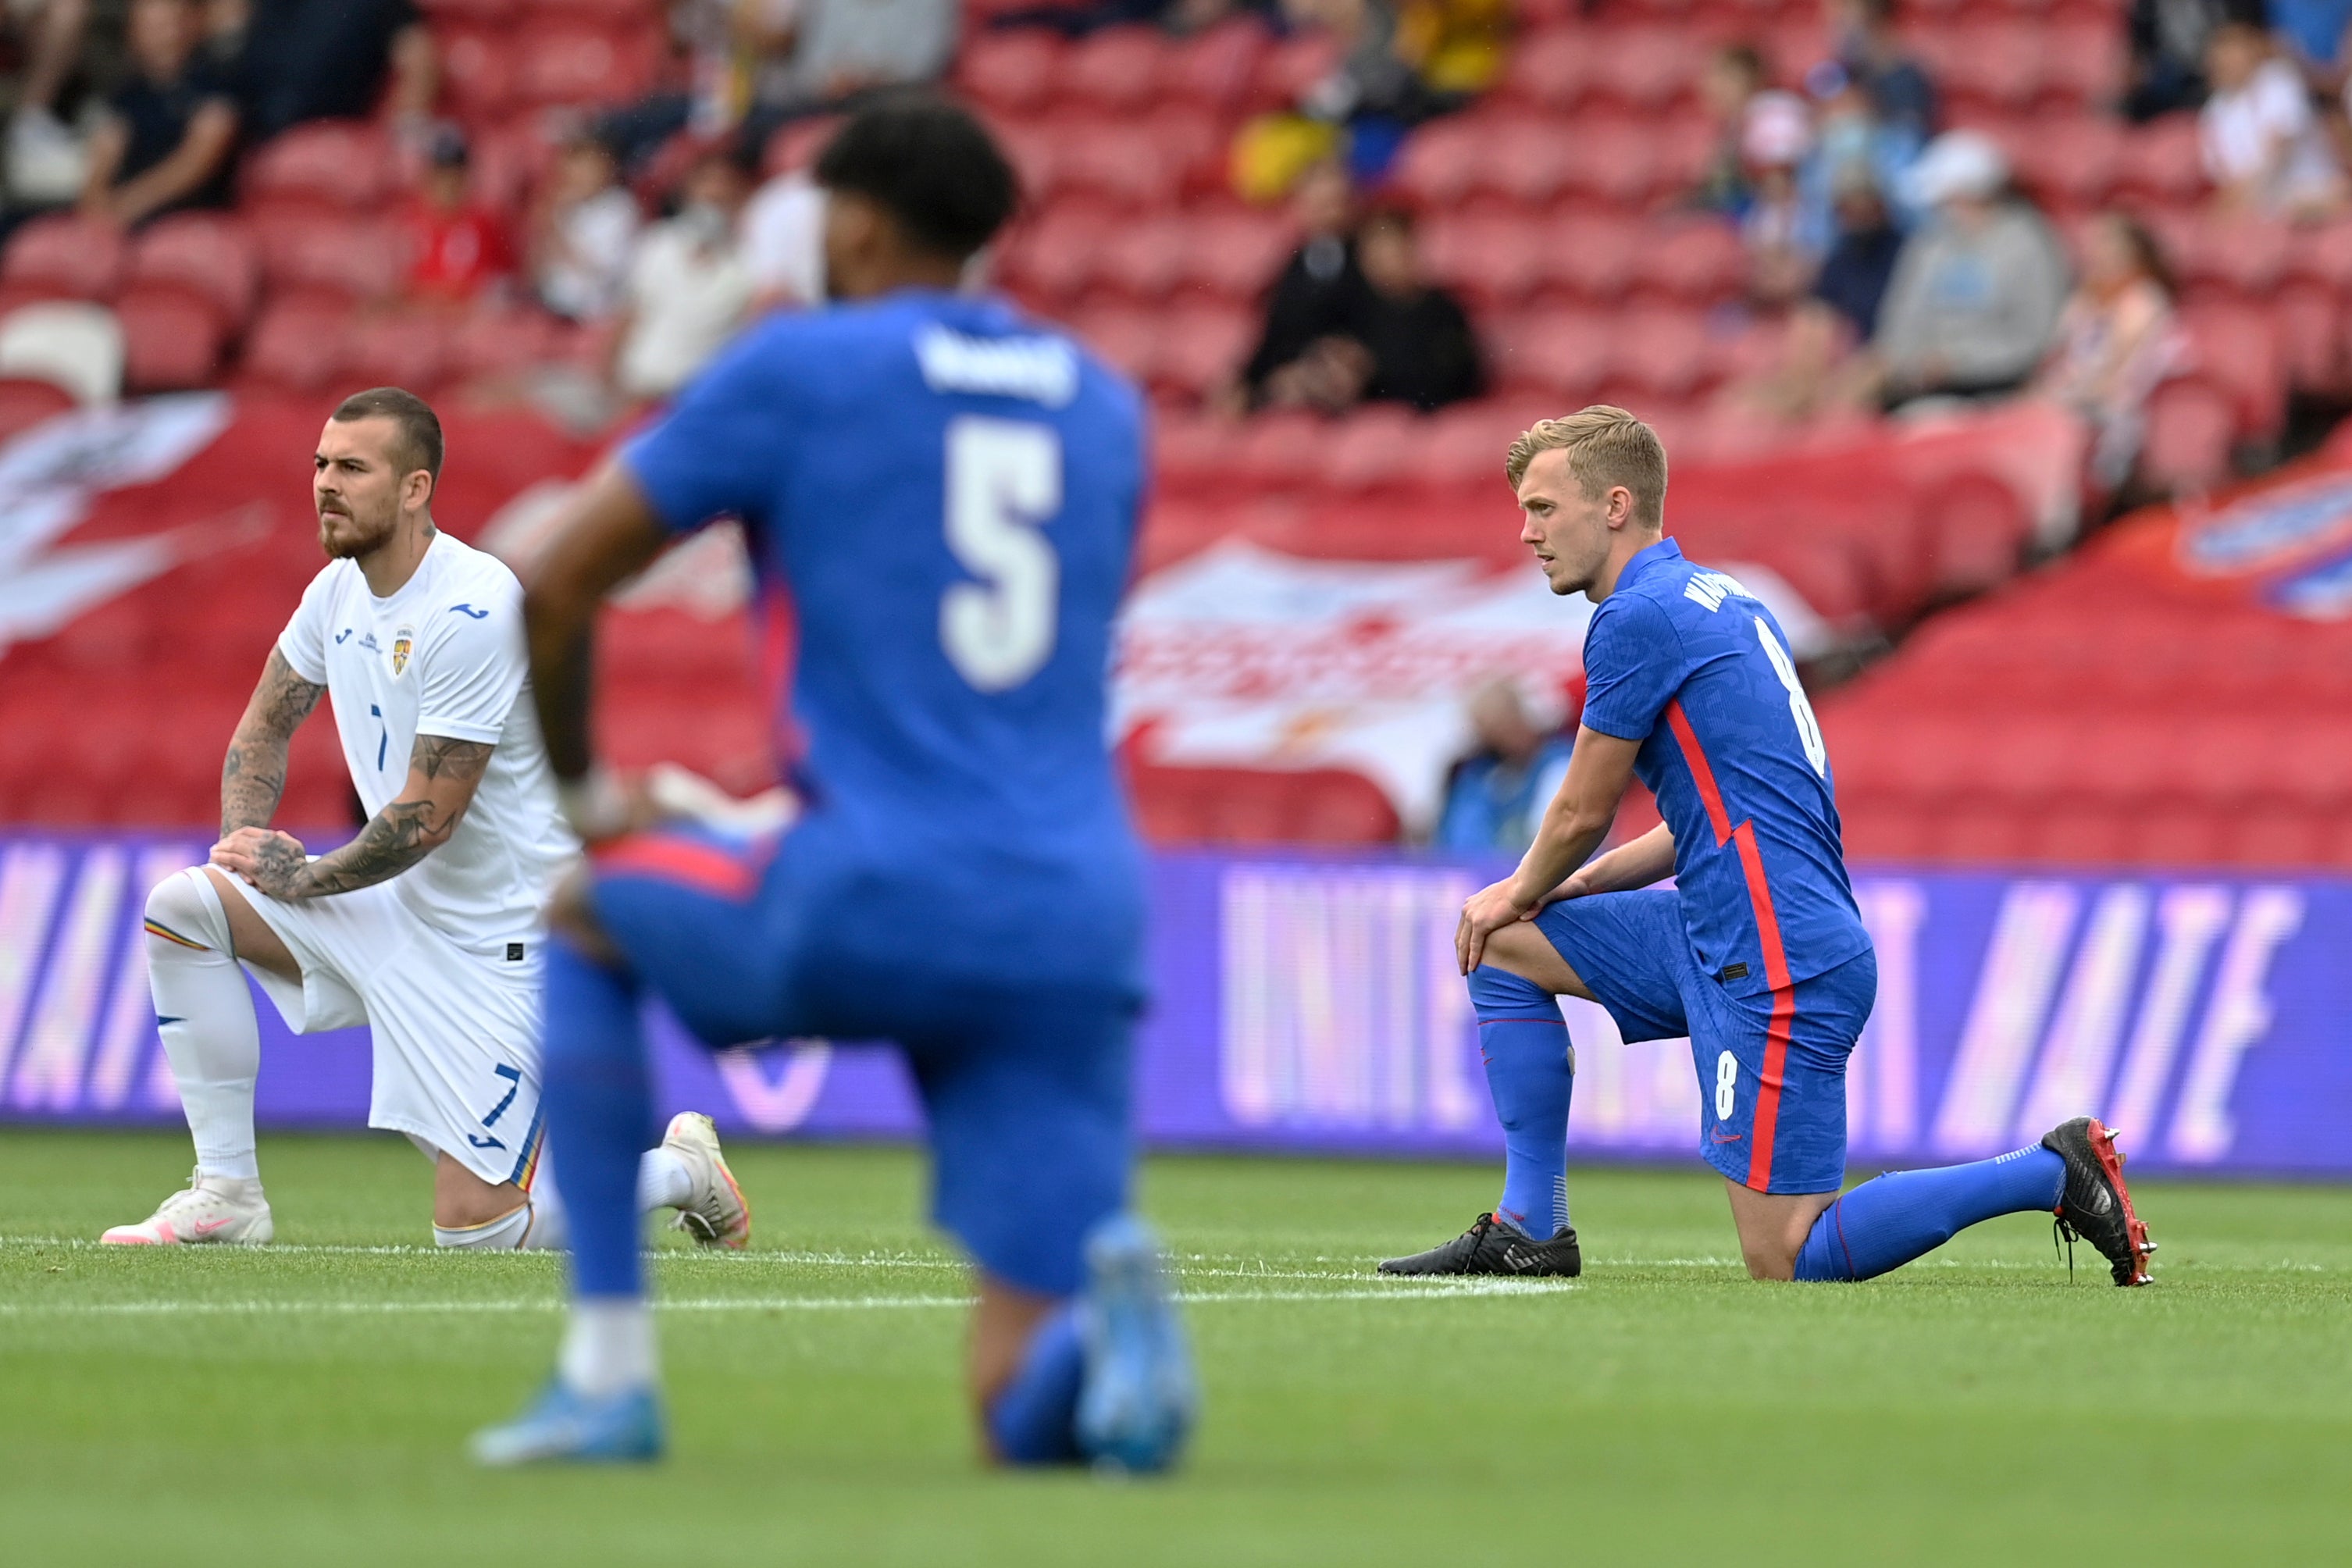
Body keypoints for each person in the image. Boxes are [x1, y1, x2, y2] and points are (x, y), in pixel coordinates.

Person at [471, 94, 1196, 1471]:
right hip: (1075, 904)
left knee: (585, 915)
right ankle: (1095, 1352)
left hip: (878, 871)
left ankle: (608, 1376)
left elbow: (557, 582)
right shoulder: (1102, 404)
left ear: (853, 221)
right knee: (1010, 1399)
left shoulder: (798, 366)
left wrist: (590, 793)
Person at [1378, 406, 2158, 1290]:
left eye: (1545, 508)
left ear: (1616, 506)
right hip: (1720, 928)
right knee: (1505, 948)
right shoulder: (1730, 600)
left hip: (1776, 953)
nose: (1527, 532)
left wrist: (1519, 883)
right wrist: (1574, 888)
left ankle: (2049, 1170)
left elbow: (1577, 810)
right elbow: (1711, 815)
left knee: (1786, 1254)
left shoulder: (1637, 618)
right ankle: (1531, 1225)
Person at [103, 387, 749, 1256]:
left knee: (481, 1231)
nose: (326, 485)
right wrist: (247, 847)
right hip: (393, 911)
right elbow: (265, 725)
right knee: (186, 905)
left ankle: (680, 1168)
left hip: (502, 946)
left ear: (415, 488)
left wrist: (306, 875)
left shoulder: (476, 608)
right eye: (321, 466)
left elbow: (425, 818)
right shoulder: (334, 592)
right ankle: (225, 1193)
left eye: (352, 469)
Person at [1864, 130, 2069, 410]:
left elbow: (2037, 335)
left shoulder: (2029, 246)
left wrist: (1958, 363)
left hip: (1996, 392)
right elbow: (1901, 320)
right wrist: (1907, 362)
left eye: (1946, 198)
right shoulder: (1931, 245)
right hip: (1921, 387)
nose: (1942, 209)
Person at [2034, 212, 2183, 490]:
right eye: (2096, 244)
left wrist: (2055, 402)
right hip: (2075, 396)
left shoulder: (2144, 299)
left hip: (2118, 407)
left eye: (2108, 244)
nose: (2099, 252)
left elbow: (2113, 375)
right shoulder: (2087, 296)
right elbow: (2063, 354)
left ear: (2133, 252)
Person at [611, 141, 758, 401]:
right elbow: (629, 316)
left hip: (695, 397)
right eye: (706, 184)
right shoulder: (658, 243)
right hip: (638, 387)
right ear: (688, 192)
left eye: (726, 185)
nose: (715, 193)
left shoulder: (750, 263)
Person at [77, 0, 238, 230]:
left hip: (195, 220)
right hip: (127, 222)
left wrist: (126, 206)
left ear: (194, 23)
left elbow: (196, 161)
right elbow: (101, 163)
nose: (165, 36)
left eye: (169, 24)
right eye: (150, 26)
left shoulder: (216, 87)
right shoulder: (127, 97)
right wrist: (95, 209)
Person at [1231, 158, 1367, 410]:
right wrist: (1244, 381)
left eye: (1332, 203)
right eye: (1317, 203)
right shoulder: (1292, 265)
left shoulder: (1367, 260)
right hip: (1289, 387)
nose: (1324, 211)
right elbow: (1275, 332)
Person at [2200, 20, 2346, 217]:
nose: (2231, 61)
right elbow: (2224, 176)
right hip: (2259, 203)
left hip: (2311, 186)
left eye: (2237, 53)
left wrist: (2245, 195)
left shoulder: (2278, 80)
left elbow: (2281, 149)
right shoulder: (2212, 112)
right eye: (2225, 56)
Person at [1347, 201, 1482, 410]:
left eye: (1387, 248)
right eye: (1370, 250)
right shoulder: (1357, 312)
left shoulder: (1443, 312)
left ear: (1411, 248)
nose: (1378, 259)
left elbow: (1459, 383)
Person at [1432, 679, 1573, 854]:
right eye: (1491, 733)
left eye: (1505, 726)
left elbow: (1554, 837)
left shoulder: (1560, 764)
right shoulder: (1480, 772)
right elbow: (1459, 838)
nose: (1504, 739)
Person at [530, 131, 641, 323]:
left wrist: (558, 226)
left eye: (588, 168)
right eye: (574, 168)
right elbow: (536, 269)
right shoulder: (567, 205)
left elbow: (601, 273)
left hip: (592, 316)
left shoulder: (620, 209)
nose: (579, 176)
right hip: (550, 307)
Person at [400, 124, 511, 306]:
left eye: (456, 175)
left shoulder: (484, 225)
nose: (449, 184)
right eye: (441, 175)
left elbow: (479, 291)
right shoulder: (409, 223)